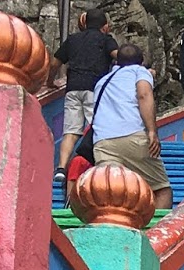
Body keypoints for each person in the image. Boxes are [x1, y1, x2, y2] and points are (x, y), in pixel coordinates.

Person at [90, 45, 173, 210]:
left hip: (103, 142)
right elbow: (144, 95)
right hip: (132, 137)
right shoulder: (139, 71)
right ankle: (156, 232)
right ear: (141, 61)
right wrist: (151, 131)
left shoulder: (102, 82)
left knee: (111, 193)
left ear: (116, 61)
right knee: (161, 189)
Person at [52, 9, 117, 182]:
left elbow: (54, 63)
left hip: (73, 88)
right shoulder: (106, 40)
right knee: (96, 128)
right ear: (105, 26)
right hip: (94, 89)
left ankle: (61, 168)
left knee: (71, 131)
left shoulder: (73, 40)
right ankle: (98, 165)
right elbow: (117, 55)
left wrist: (49, 82)